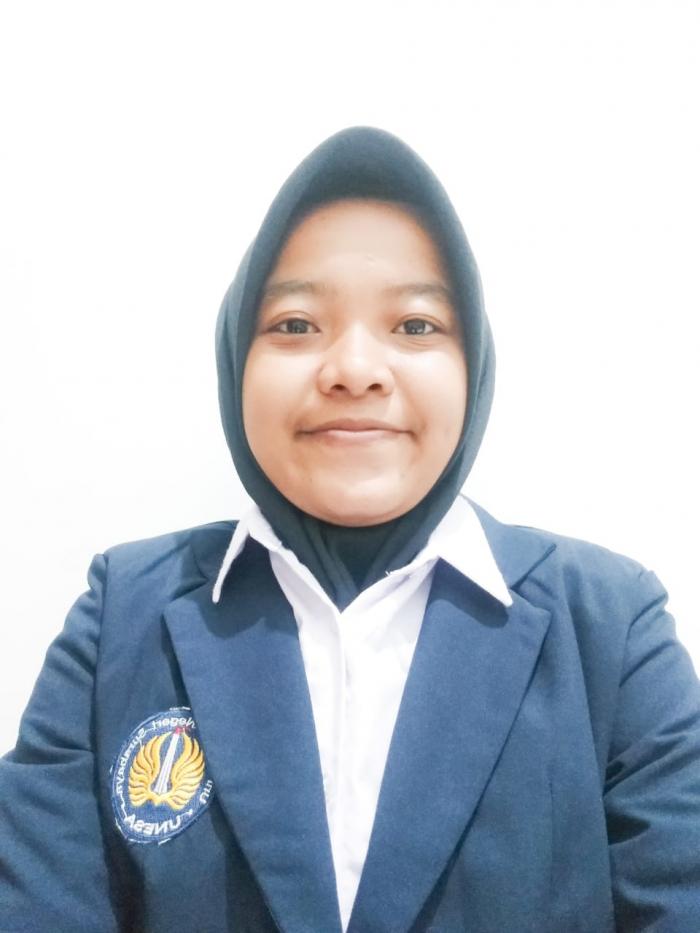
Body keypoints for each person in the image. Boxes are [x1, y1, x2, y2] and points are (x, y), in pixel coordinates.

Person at [1, 126, 699, 933]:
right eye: (296, 324)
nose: (355, 369)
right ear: (236, 357)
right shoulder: (121, 615)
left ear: (474, 364)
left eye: (416, 326)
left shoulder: (611, 625)